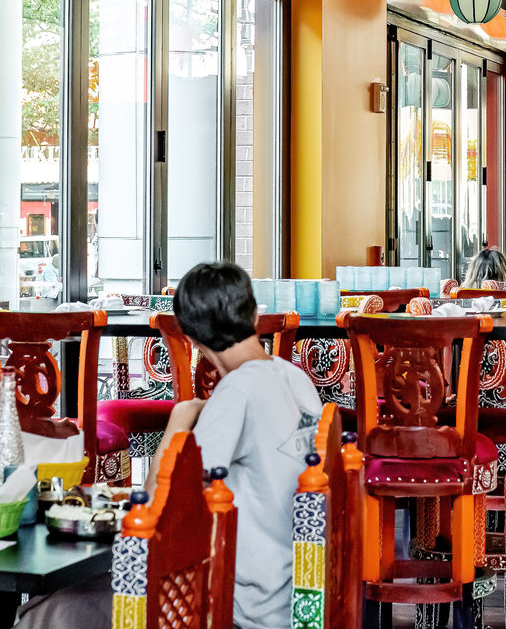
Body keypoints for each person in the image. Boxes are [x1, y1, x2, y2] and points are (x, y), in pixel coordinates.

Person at [17, 261, 322, 629]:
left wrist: (179, 420)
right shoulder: (295, 379)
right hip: (299, 594)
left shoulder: (236, 393)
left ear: (190, 338)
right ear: (256, 316)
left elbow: (155, 513)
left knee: (44, 611)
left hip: (238, 602)